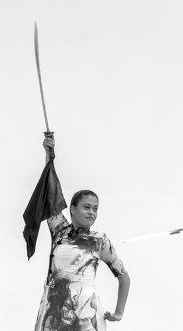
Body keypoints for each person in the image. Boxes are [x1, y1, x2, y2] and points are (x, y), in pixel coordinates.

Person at [34, 134, 131, 331]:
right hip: (54, 308)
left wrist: (119, 312)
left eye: (95, 209)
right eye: (87, 207)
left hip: (86, 312)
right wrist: (49, 156)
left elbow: (124, 277)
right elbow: (50, 194)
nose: (92, 212)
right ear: (72, 209)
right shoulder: (59, 230)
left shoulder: (100, 241)